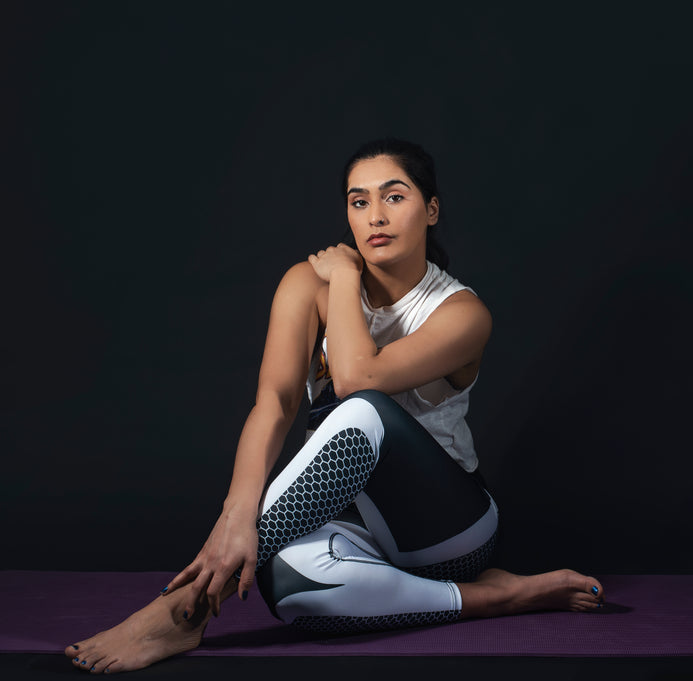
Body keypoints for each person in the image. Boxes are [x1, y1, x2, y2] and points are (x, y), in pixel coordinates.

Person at [65, 138, 604, 674]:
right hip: (355, 524)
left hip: (449, 531)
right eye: (359, 201)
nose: (375, 216)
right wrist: (234, 516)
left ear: (431, 209)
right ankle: (495, 597)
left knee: (361, 408)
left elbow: (355, 380)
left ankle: (183, 609)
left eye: (394, 197)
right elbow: (273, 405)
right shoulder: (304, 284)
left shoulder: (462, 313)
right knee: (293, 586)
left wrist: (345, 278)